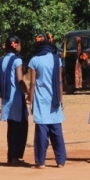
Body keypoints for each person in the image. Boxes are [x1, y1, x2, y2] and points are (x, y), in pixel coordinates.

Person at [27, 33, 67, 168]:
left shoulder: (34, 60)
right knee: (56, 129)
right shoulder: (56, 59)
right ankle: (60, 161)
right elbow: (60, 81)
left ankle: (40, 162)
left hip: (40, 98)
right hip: (54, 98)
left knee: (41, 131)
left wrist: (30, 100)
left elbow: (33, 83)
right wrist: (60, 99)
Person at [0, 35, 29, 165]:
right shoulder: (17, 60)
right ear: (16, 45)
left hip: (6, 99)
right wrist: (28, 92)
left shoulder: (2, 60)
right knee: (21, 127)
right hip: (16, 98)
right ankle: (15, 157)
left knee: (11, 127)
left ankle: (10, 156)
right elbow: (20, 79)